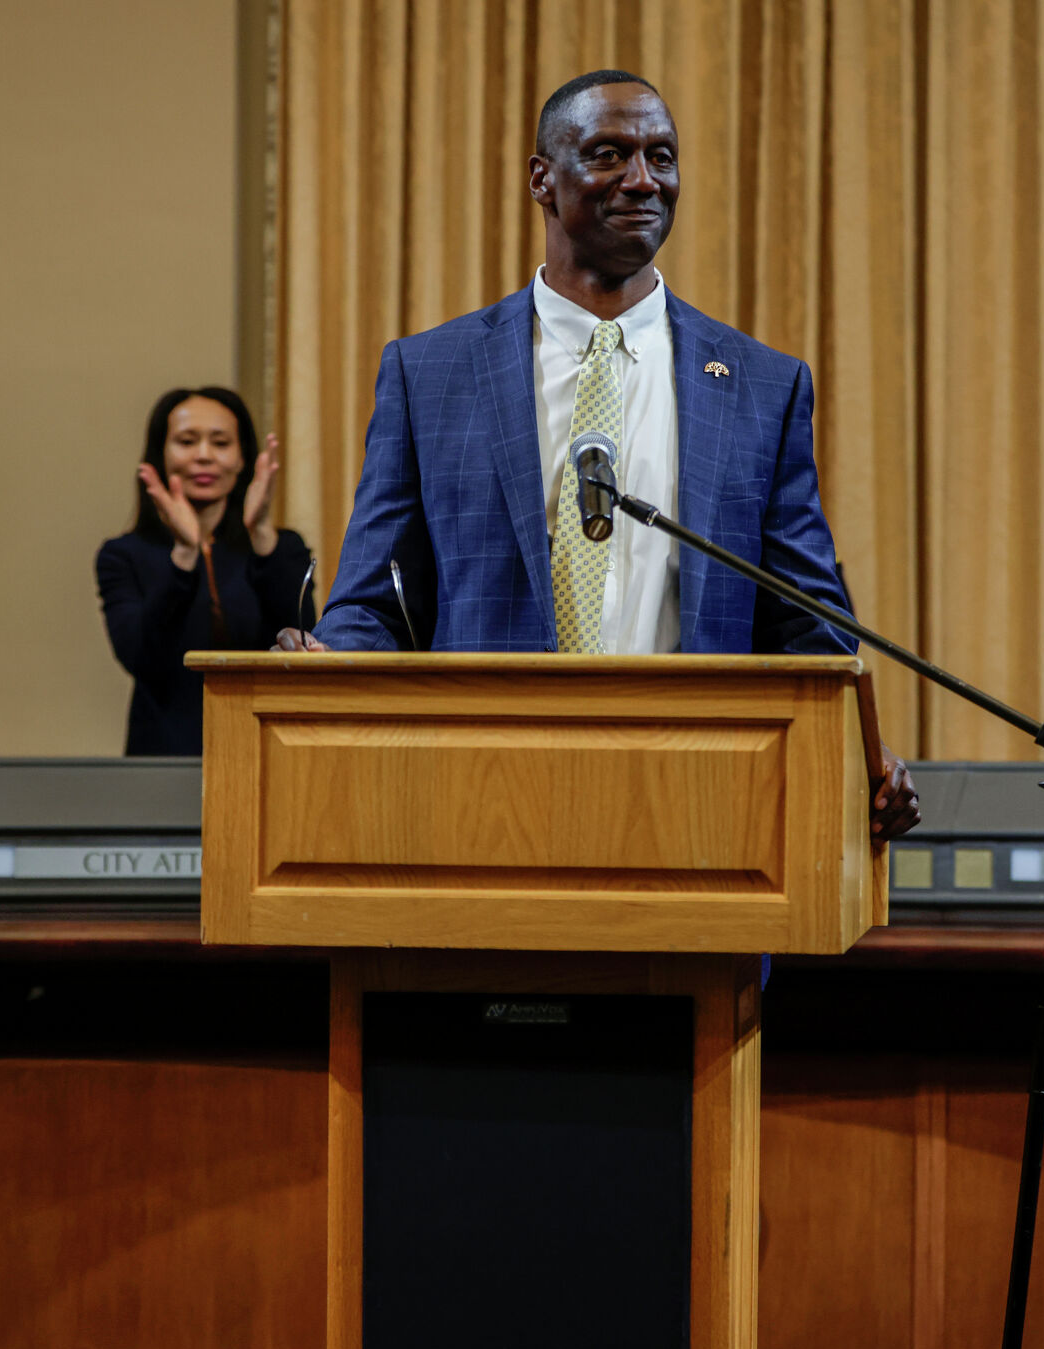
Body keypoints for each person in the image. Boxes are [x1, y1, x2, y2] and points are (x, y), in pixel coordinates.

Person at [280, 70, 917, 836]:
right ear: (542, 179)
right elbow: (377, 602)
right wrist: (321, 662)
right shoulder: (431, 374)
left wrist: (857, 753)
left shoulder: (762, 386)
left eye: (662, 156)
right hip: (479, 803)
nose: (643, 180)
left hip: (703, 811)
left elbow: (808, 622)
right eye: (610, 154)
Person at [95, 386, 316, 755]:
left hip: (267, 749)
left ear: (243, 456)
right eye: (186, 441)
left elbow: (299, 643)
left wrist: (262, 534)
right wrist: (184, 554)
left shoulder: (282, 548)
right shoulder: (123, 555)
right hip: (163, 761)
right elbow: (140, 657)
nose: (204, 456)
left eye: (220, 443)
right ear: (160, 454)